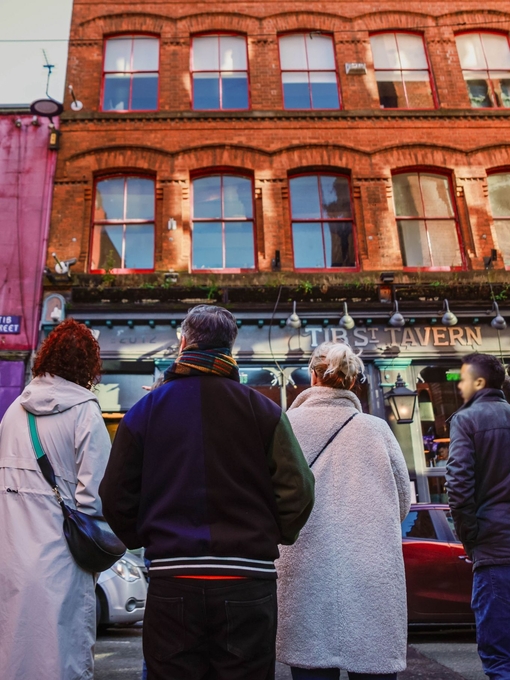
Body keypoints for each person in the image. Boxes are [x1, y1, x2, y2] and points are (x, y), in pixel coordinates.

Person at [99, 305, 315, 680]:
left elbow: (115, 494)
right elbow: (298, 490)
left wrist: (145, 537)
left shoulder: (144, 412)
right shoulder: (264, 412)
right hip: (247, 581)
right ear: (231, 347)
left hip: (173, 578)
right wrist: (270, 534)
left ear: (183, 341)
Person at [276, 342, 411, 680]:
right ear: (352, 382)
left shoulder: (285, 426)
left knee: (311, 668)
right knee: (373, 667)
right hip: (369, 574)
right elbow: (403, 501)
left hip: (305, 570)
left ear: (311, 376)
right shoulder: (377, 430)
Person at [0, 319, 111, 680]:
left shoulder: (14, 412)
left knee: (15, 654)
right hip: (64, 563)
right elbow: (96, 499)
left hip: (12, 558)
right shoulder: (85, 412)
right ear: (88, 365)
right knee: (62, 657)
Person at [446, 352, 510, 680]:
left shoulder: (467, 420)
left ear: (480, 382)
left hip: (494, 551)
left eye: (463, 379)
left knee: (500, 658)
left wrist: (471, 538)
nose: (459, 385)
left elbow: (458, 488)